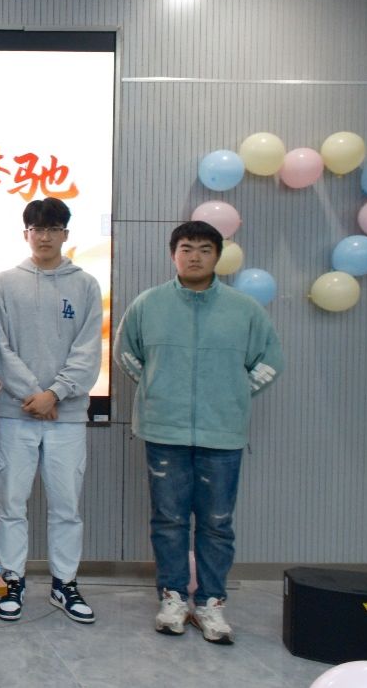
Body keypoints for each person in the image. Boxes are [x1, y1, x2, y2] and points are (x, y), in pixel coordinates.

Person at [116, 220, 283, 644]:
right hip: (164, 431)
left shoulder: (245, 309)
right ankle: (172, 598)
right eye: (186, 248)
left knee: (217, 523)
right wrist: (158, 389)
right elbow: (127, 354)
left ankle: (211, 603)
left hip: (222, 434)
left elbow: (269, 361)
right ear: (173, 254)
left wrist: (233, 393)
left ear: (218, 257)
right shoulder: (148, 304)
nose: (195, 256)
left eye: (205, 249)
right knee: (169, 520)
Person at [0, 198, 103, 624]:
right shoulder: (5, 282)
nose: (45, 236)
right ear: (26, 234)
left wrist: (54, 394)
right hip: (15, 413)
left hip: (66, 417)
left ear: (65, 234)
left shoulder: (86, 284)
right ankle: (11, 579)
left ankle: (64, 583)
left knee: (66, 506)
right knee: (10, 503)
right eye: (37, 229)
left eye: (53, 229)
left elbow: (89, 350)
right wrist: (34, 394)